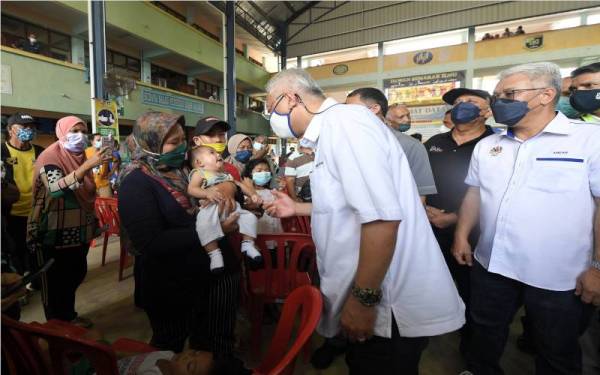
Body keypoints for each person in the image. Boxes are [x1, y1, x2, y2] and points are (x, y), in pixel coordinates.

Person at [263, 68, 465, 375]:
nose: (271, 118)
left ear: (291, 98)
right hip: (372, 296)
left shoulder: (346, 125)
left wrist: (363, 301)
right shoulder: (335, 130)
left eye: (271, 109)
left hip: (386, 305)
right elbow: (348, 207)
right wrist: (297, 208)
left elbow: (382, 219)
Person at [452, 62, 600, 375]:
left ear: (546, 95)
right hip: (491, 264)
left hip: (560, 275)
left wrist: (598, 267)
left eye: (509, 93)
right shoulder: (489, 145)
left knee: (555, 348)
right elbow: (474, 194)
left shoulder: (589, 140)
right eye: (496, 95)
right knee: (484, 332)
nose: (498, 102)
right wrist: (462, 235)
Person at [118, 113, 245, 370]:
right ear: (149, 144)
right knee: (170, 349)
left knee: (214, 346)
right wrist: (214, 228)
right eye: (172, 143)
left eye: (182, 140)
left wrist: (229, 190)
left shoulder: (186, 169)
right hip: (169, 282)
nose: (182, 148)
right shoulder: (136, 182)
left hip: (214, 275)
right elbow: (150, 242)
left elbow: (230, 182)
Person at [424, 87, 495, 357]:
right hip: (429, 224)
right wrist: (427, 211)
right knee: (430, 280)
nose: (462, 106)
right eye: (458, 102)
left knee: (471, 290)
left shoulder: (496, 144)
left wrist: (453, 217)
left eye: (471, 102)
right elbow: (419, 181)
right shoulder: (434, 142)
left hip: (473, 232)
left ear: (487, 111)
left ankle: (470, 345)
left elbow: (492, 191)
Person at [27, 116, 110, 327]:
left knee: (74, 275)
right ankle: (57, 329)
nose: (80, 136)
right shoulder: (50, 156)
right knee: (55, 284)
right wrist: (86, 167)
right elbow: (55, 189)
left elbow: (88, 190)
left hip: (77, 232)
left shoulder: (80, 156)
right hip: (52, 233)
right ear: (62, 132)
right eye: (74, 131)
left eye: (83, 131)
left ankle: (69, 318)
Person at [187, 145, 263, 273]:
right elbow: (191, 189)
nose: (218, 154)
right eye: (212, 153)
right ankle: (214, 254)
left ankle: (247, 244)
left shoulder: (225, 175)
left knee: (250, 218)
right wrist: (206, 193)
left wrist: (253, 194)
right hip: (210, 208)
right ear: (199, 163)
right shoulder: (200, 173)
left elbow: (240, 185)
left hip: (232, 209)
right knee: (203, 225)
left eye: (217, 152)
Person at [350, 90, 437, 201]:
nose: (407, 120)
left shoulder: (411, 145)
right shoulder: (349, 142)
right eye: (401, 117)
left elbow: (420, 196)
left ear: (375, 109)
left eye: (352, 109)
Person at [1, 113, 44, 276]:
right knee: (15, 252)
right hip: (11, 215)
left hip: (37, 213)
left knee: (35, 252)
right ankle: (19, 284)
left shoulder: (40, 152)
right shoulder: (2, 151)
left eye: (31, 127)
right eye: (23, 127)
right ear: (10, 130)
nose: (29, 130)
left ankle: (35, 281)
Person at [191, 117, 240, 181]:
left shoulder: (232, 169)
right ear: (197, 140)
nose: (218, 140)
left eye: (221, 134)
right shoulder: (186, 169)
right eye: (211, 135)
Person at [85, 133, 116, 197]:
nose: (100, 142)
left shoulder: (106, 151)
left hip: (104, 184)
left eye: (101, 140)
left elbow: (116, 161)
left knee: (107, 204)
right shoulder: (86, 152)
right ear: (92, 142)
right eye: (98, 140)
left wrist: (111, 172)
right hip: (90, 184)